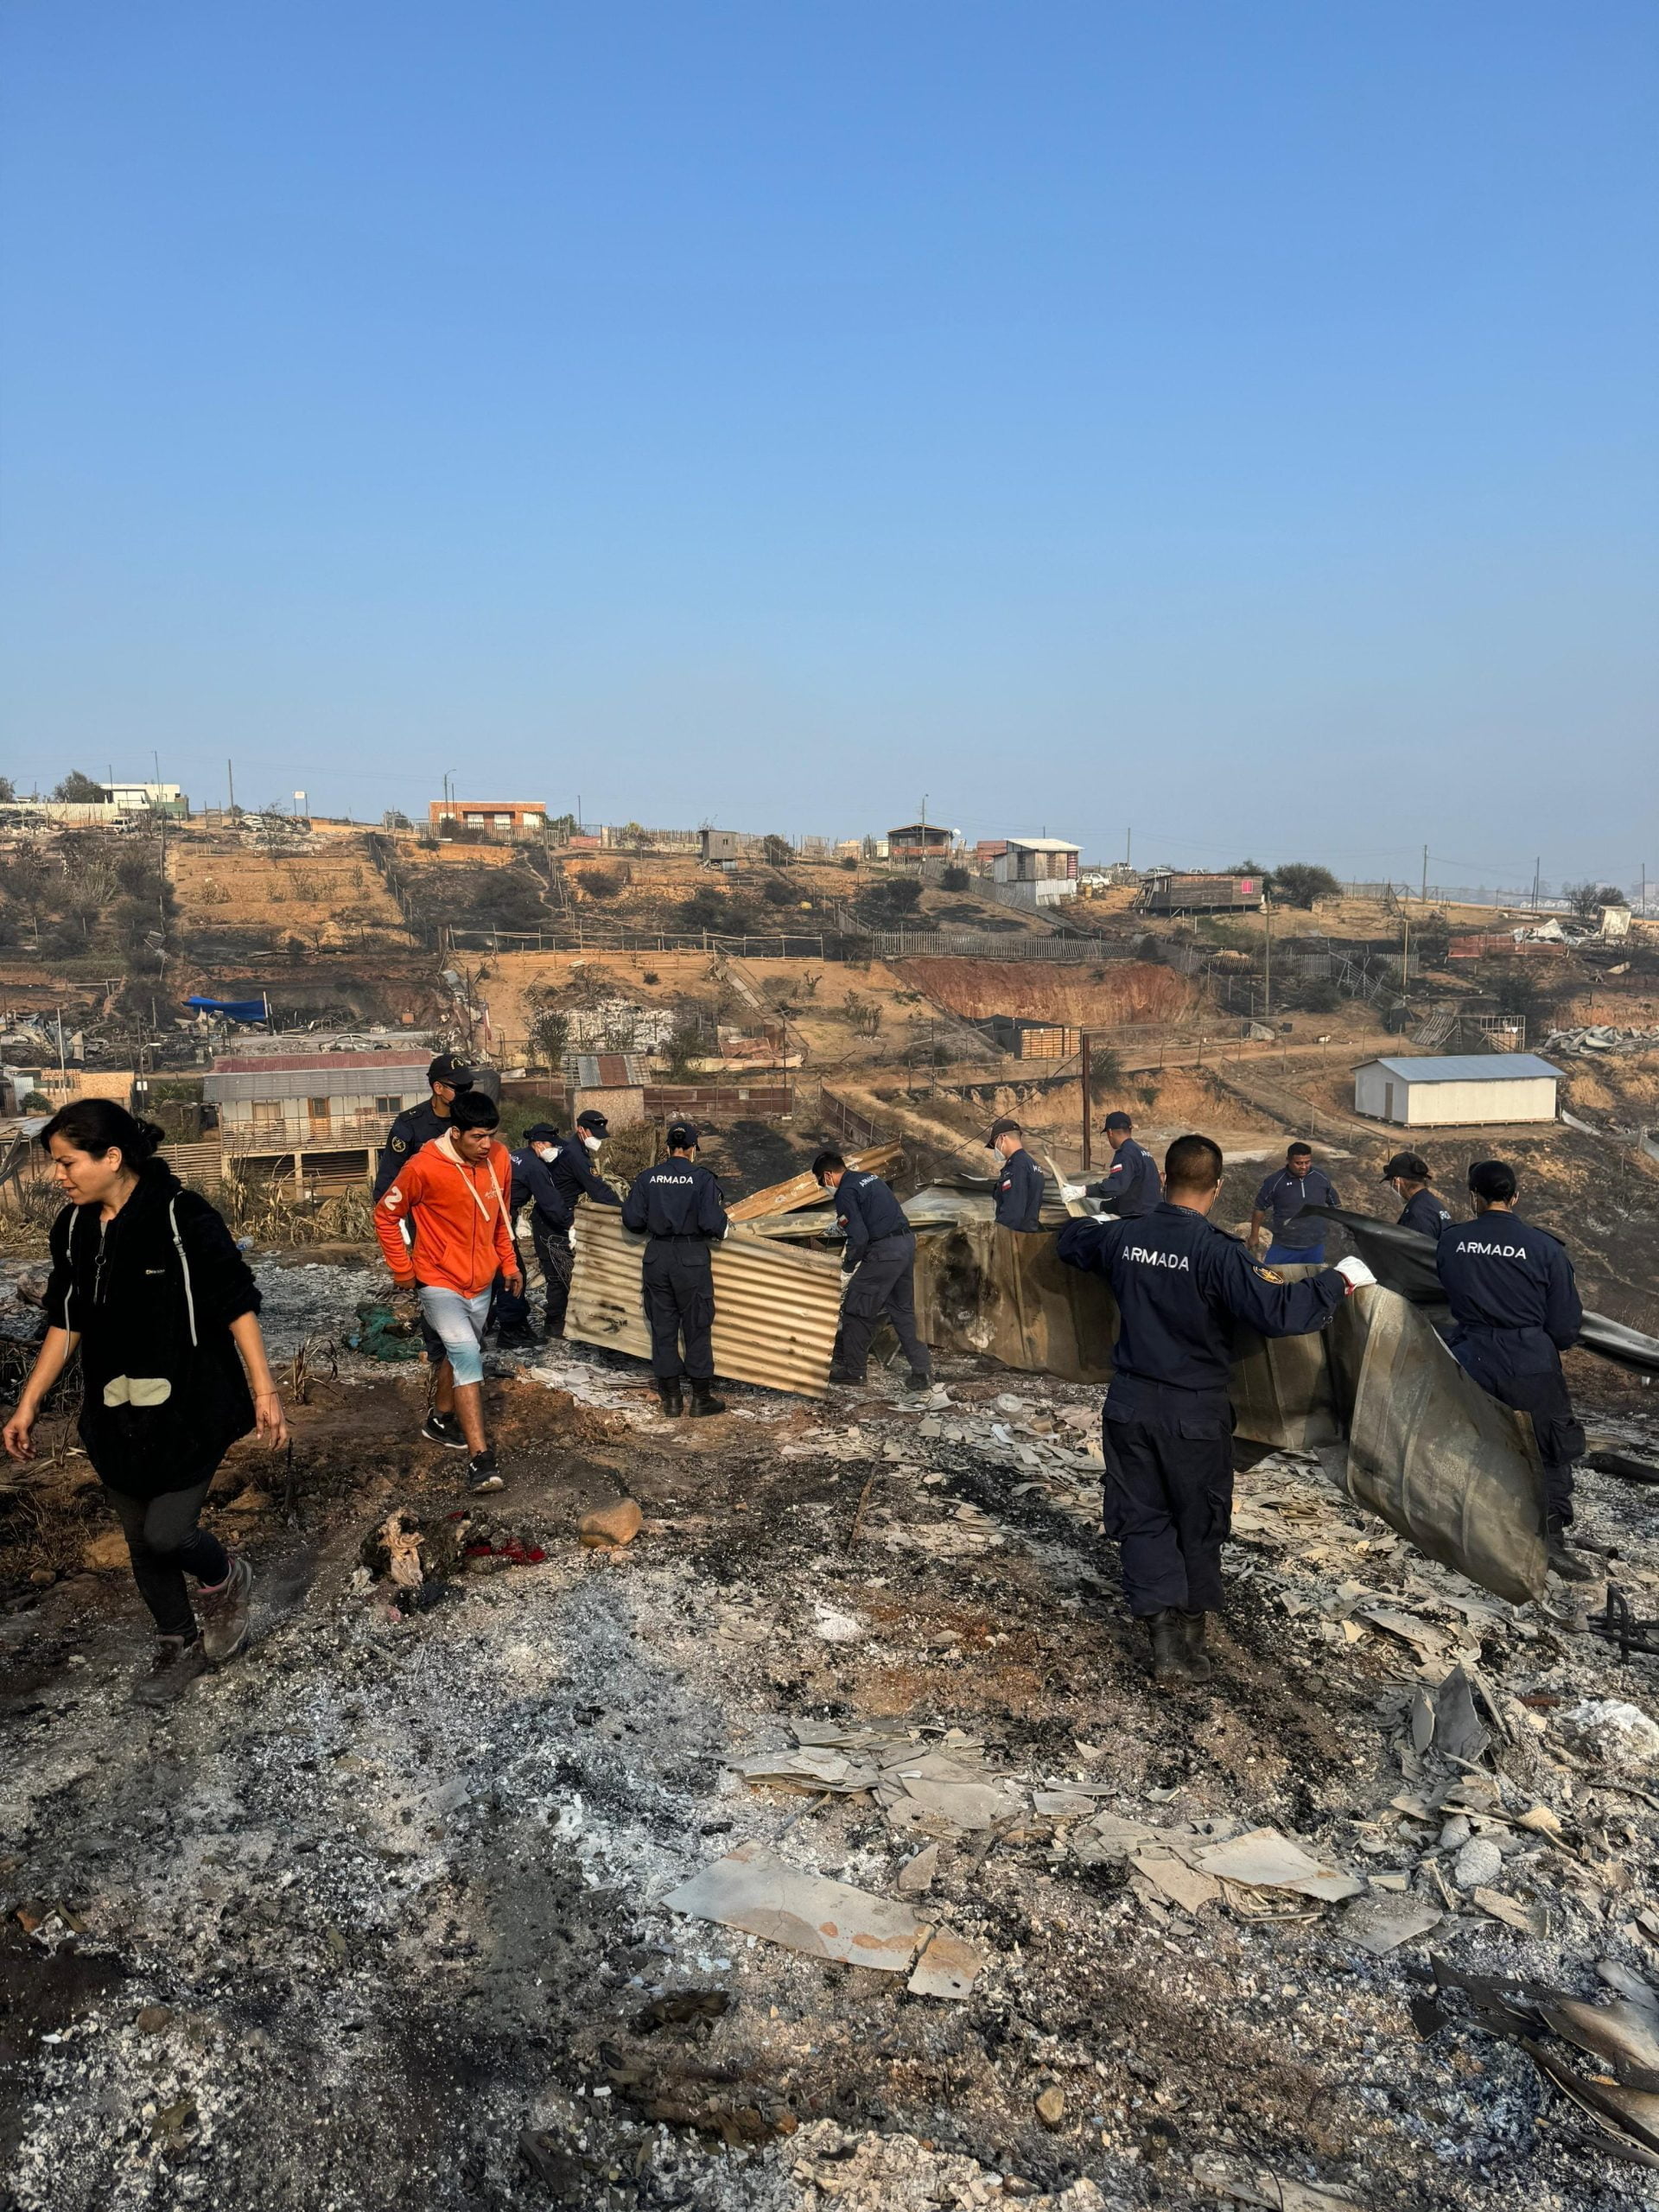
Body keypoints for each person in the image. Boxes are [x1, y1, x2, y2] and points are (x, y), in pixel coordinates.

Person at [2, 1101, 289, 1706]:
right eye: (56, 1164)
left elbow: (236, 1302)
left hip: (191, 1404)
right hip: (114, 1410)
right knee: (138, 1540)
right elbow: (65, 1321)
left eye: (67, 1162)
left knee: (167, 1532)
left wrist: (265, 1391)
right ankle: (175, 1640)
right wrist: (28, 1404)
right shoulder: (75, 1228)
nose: (59, 1176)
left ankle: (223, 1576)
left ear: (112, 1157)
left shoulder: (183, 1217)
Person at [1058, 1132, 1370, 1686]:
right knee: (1197, 1519)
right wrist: (1340, 1280)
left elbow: (1071, 1240)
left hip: (1129, 1403)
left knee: (1142, 1517)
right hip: (1193, 1410)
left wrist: (1101, 1223)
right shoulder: (1218, 1253)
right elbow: (1279, 1310)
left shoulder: (1124, 1239)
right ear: (1217, 1187)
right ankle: (1192, 1628)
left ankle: (1163, 1639)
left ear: (1162, 1180)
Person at [1436, 1160, 1592, 1582]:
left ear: (1474, 1197)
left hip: (1472, 1355)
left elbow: (1449, 1293)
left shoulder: (1452, 1242)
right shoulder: (1544, 1248)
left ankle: (1474, 1527)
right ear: (1515, 1196)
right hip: (1530, 1359)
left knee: (1477, 1441)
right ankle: (1550, 1540)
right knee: (1550, 1447)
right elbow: (1564, 1327)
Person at [374, 1089, 519, 1494]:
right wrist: (402, 1269)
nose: (486, 1145)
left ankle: (440, 1418)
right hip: (437, 1280)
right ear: (455, 1132)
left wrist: (507, 1263)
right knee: (467, 1355)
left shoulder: (500, 1159)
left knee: (461, 1353)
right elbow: (385, 1216)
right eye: (476, 1137)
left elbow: (501, 1218)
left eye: (491, 1135)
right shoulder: (423, 1167)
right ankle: (480, 1461)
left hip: (482, 1282)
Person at [621, 1123, 728, 1417]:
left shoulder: (647, 1178)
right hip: (691, 1257)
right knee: (697, 1327)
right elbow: (713, 1225)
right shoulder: (703, 1179)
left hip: (657, 1257)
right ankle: (701, 1399)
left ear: (667, 1148)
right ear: (693, 1149)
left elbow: (632, 1221)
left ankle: (671, 1400)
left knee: (663, 1328)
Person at [813, 1150, 931, 1391]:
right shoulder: (870, 1179)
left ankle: (854, 1372)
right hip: (905, 1244)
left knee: (857, 1307)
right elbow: (875, 1215)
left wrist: (847, 1269)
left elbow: (860, 1237)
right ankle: (922, 1372)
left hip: (884, 1252)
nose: (823, 1186)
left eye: (821, 1182)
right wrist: (840, 1225)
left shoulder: (845, 1191)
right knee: (902, 1310)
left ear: (827, 1175)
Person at [509, 1123, 575, 1338]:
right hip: (503, 1217)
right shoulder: (535, 1167)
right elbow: (550, 1202)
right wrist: (570, 1224)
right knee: (513, 1271)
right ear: (538, 1144)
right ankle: (517, 1329)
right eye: (552, 1145)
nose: (555, 1149)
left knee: (498, 1272)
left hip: (493, 1214)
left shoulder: (517, 1155)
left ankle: (497, 1324)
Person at [1250, 1141, 1340, 1265]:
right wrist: (1254, 1235)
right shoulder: (1275, 1181)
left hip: (1314, 1247)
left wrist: (1340, 1227)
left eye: (1307, 1162)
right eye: (1298, 1163)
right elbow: (1260, 1208)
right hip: (1283, 1246)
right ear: (1288, 1160)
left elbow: (1335, 1205)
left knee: (1312, 1282)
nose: (1303, 1167)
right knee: (1272, 1279)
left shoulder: (1321, 1177)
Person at [1086, 1112, 1161, 1217]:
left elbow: (1117, 1187)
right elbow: (1132, 1194)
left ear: (1110, 1132)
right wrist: (1103, 1206)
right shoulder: (1144, 1152)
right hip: (1153, 1216)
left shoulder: (1125, 1154)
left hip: (1137, 1220)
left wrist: (1085, 1191)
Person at [987, 1119, 1045, 1231]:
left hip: (1014, 1238)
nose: (996, 1149)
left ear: (1002, 1138)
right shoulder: (1032, 1164)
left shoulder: (1016, 1167)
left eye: (995, 1144)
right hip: (1029, 1235)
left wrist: (997, 1235)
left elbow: (1012, 1213)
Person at [1381, 1151, 1452, 1242]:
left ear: (1396, 1181)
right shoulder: (1432, 1203)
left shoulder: (1417, 1214)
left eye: (1391, 1182)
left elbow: (1416, 1252)